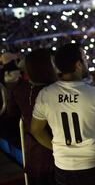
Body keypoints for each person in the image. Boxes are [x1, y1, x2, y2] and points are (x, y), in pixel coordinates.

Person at [30, 43, 95, 185]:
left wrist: (56, 147)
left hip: (64, 166)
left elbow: (36, 130)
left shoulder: (45, 94)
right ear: (78, 65)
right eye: (85, 59)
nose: (86, 62)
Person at [11, 48, 57, 185]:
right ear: (46, 67)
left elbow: (11, 114)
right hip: (52, 154)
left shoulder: (19, 89)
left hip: (32, 152)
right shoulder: (54, 92)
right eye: (53, 63)